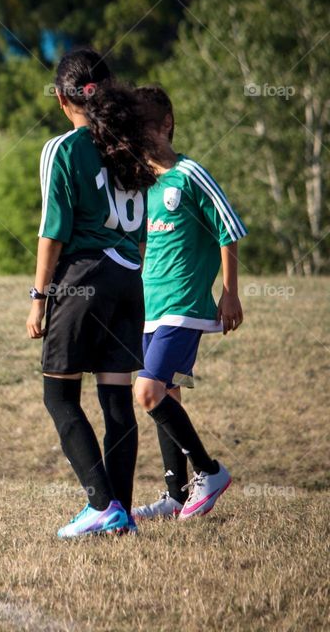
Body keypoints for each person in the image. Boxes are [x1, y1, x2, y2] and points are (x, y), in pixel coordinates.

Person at [26, 48, 156, 538]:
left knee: (58, 395)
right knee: (116, 402)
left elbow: (51, 233)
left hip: (83, 279)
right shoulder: (129, 144)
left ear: (63, 99)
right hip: (130, 276)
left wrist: (39, 296)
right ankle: (119, 511)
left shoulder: (62, 148)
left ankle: (101, 505)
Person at [131, 86, 245, 521]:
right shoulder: (143, 183)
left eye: (146, 129)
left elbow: (228, 228)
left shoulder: (191, 173)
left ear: (166, 124)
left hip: (184, 305)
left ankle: (209, 471)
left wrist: (230, 292)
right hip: (151, 307)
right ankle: (175, 496)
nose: (140, 139)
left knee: (147, 391)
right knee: (169, 393)